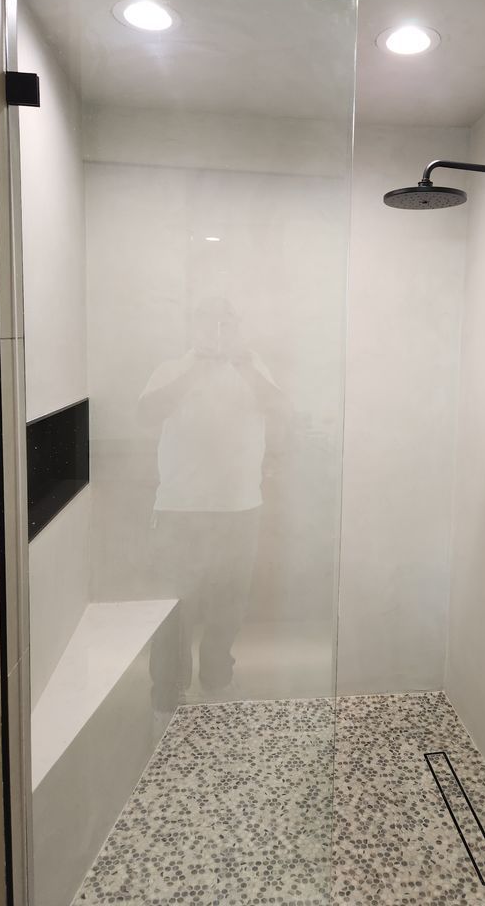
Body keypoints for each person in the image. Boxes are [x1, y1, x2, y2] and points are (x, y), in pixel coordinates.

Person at [137, 296, 289, 705]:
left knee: (229, 603)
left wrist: (239, 361)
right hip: (178, 508)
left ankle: (218, 681)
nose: (217, 330)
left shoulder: (253, 366)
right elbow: (147, 414)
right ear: (193, 327)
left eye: (226, 322)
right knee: (175, 608)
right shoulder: (171, 369)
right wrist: (198, 367)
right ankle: (167, 694)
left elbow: (279, 409)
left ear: (238, 327)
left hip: (240, 506)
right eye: (208, 321)